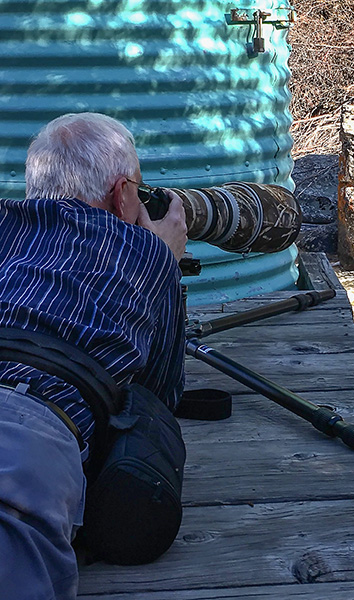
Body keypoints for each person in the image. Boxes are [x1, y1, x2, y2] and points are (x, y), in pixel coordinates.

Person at [0, 112, 188, 599]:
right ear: (123, 193)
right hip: (26, 433)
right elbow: (160, 396)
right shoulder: (145, 252)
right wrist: (162, 260)